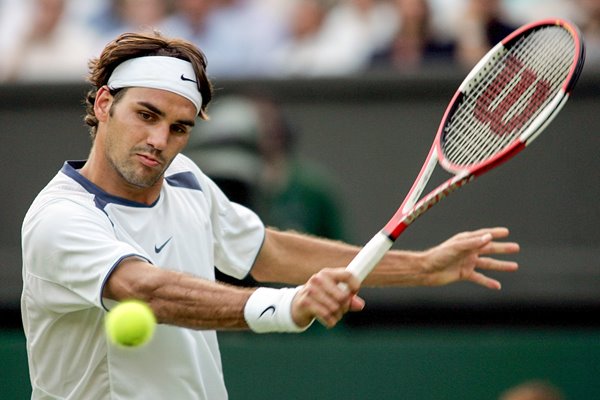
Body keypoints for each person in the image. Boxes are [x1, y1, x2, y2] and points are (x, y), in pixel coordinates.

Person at [21, 31, 520, 399]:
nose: (160, 141)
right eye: (146, 115)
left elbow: (268, 250)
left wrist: (423, 267)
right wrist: (286, 308)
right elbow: (146, 289)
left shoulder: (186, 179)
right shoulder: (60, 218)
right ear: (105, 104)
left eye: (179, 128)